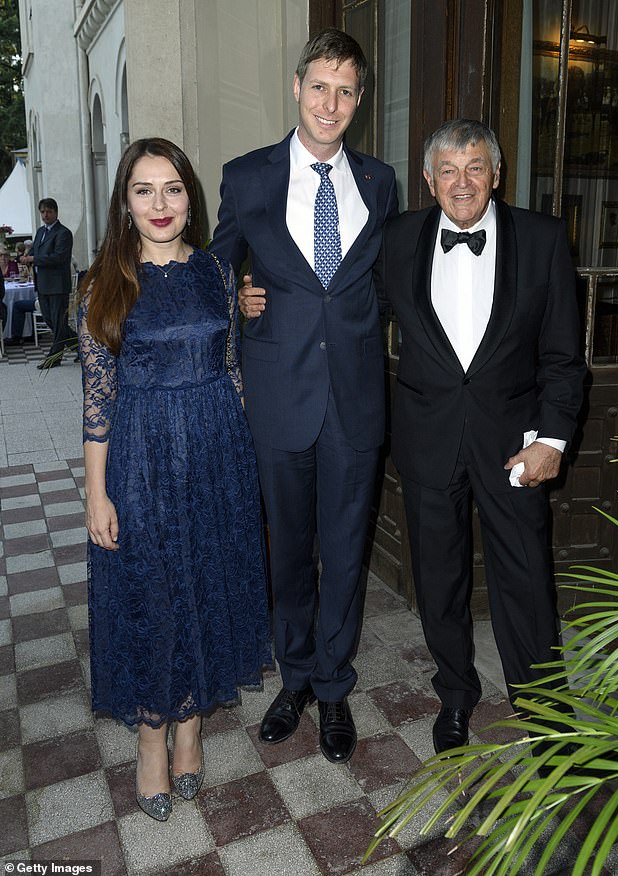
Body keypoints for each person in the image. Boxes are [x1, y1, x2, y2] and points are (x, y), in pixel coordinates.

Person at [211, 28, 398, 764]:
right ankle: (295, 678)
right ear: (296, 87)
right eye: (320, 86)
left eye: (346, 90)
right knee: (288, 553)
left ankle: (334, 684)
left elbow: (383, 279)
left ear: (359, 100)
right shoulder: (249, 176)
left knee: (346, 554)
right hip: (279, 397)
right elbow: (216, 271)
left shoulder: (380, 181)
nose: (331, 103)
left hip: (353, 400)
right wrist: (239, 301)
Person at [375, 119, 586, 755]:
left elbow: (563, 356)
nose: (461, 182)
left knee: (525, 579)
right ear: (428, 180)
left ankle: (546, 714)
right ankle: (456, 695)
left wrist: (552, 441)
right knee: (438, 580)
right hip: (428, 438)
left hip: (514, 444)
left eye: (475, 169)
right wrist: (260, 299)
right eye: (448, 170)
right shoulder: (399, 238)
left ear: (495, 175)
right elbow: (348, 309)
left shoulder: (544, 239)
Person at [78, 137, 271, 821]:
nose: (160, 204)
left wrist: (246, 463)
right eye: (143, 190)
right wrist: (96, 493)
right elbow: (97, 399)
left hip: (217, 452)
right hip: (141, 460)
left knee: (208, 583)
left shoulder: (218, 273)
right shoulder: (105, 280)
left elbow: (234, 369)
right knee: (155, 596)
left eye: (173, 189)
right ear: (125, 204)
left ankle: (193, 729)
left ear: (192, 198)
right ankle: (153, 738)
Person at [20, 198, 77, 368]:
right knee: (50, 320)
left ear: (56, 212)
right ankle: (81, 348)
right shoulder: (40, 232)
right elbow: (36, 252)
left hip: (58, 285)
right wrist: (26, 259)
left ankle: (54, 357)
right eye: (43, 211)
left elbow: (60, 257)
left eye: (49, 211)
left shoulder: (63, 233)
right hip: (43, 284)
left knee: (59, 322)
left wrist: (34, 258)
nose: (45, 215)